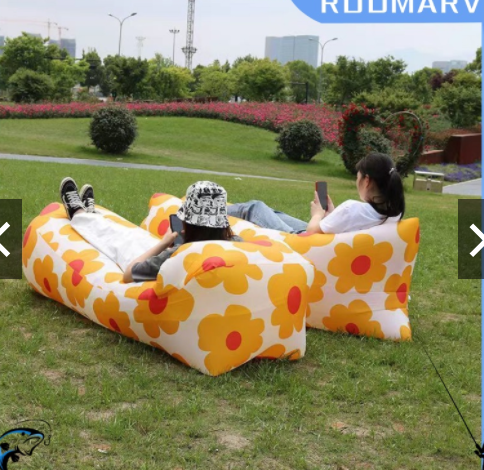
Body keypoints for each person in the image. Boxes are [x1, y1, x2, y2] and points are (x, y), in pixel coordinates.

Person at [59, 178, 241, 283]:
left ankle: (78, 213)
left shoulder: (178, 256)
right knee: (135, 234)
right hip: (176, 250)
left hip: (146, 260)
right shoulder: (237, 244)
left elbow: (129, 274)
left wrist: (164, 243)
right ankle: (91, 215)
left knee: (119, 238)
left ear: (189, 224)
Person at [227, 153, 405, 235]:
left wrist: (318, 214)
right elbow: (347, 225)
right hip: (325, 245)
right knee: (275, 214)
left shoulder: (352, 208)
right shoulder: (392, 214)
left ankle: (213, 208)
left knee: (254, 208)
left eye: (357, 177)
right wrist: (332, 213)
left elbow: (311, 232)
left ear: (367, 181)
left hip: (302, 245)